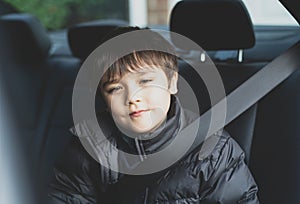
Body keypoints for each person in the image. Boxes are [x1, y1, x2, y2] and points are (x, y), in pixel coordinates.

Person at [48, 27, 259, 204]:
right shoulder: (91, 146)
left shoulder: (213, 151)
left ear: (172, 82)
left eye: (145, 82)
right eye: (115, 89)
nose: (132, 98)